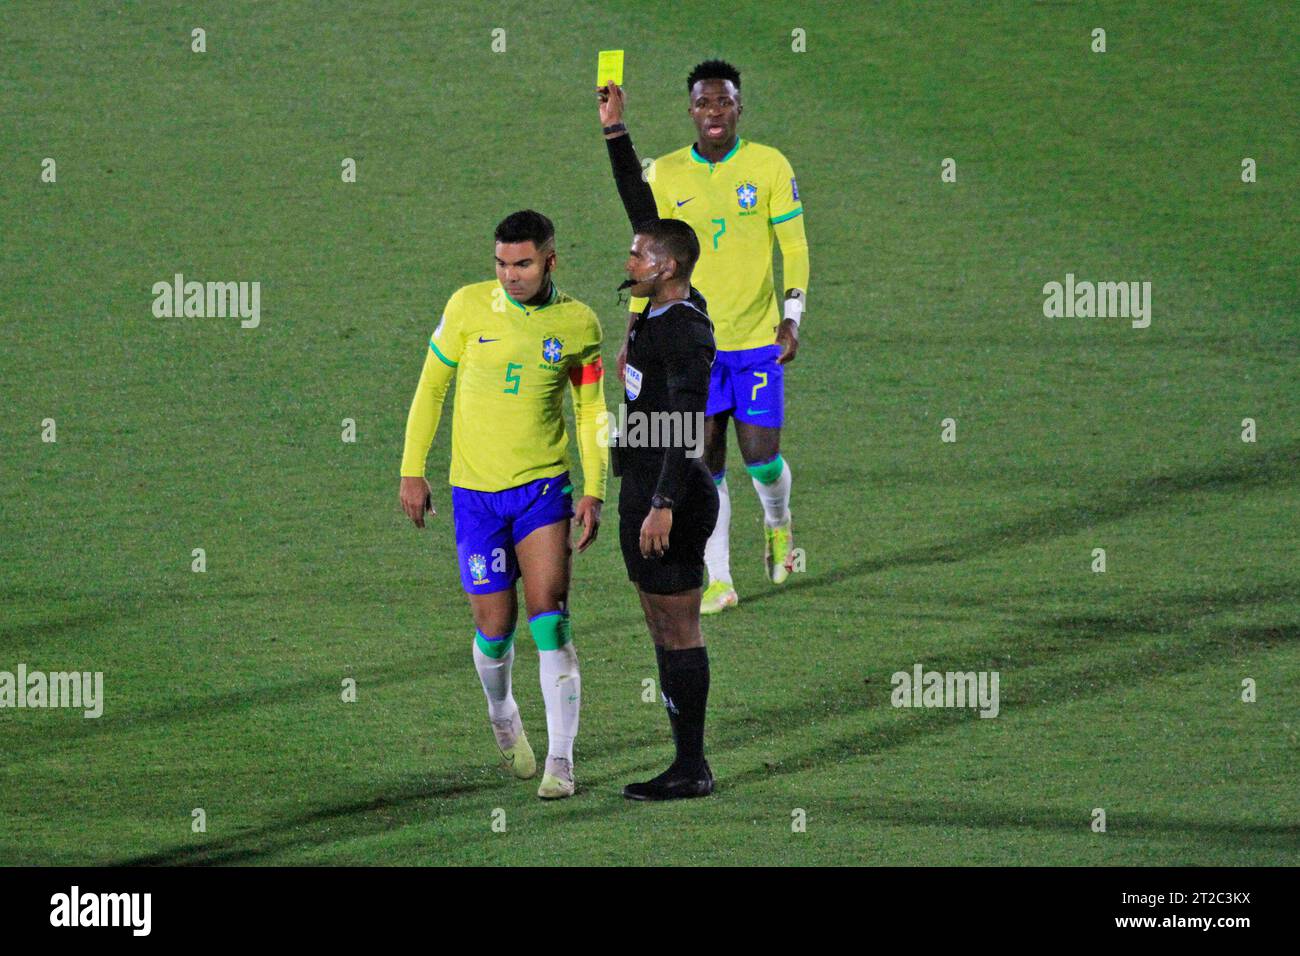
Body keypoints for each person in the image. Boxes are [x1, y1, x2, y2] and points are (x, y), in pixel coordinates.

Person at [399, 210, 607, 800]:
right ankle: (502, 711)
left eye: (522, 263)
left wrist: (596, 487)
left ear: (549, 261)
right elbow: (431, 387)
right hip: (475, 497)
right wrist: (412, 469)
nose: (510, 275)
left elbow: (592, 409)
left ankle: (561, 761)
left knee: (551, 618)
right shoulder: (466, 308)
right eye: (501, 263)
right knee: (495, 629)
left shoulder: (578, 324)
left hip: (543, 489)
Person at [603, 60, 810, 615]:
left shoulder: (768, 166)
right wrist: (632, 335)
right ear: (690, 110)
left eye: (724, 102)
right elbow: (652, 260)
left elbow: (794, 247)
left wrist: (793, 317)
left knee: (762, 457)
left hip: (757, 337)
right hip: (698, 344)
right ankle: (718, 578)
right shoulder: (668, 173)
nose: (714, 112)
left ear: (740, 107)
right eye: (704, 103)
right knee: (704, 459)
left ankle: (778, 521)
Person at [600, 89, 720, 800]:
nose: (632, 254)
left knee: (678, 626)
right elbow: (641, 210)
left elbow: (691, 416)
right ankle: (682, 757)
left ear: (667, 267)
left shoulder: (684, 329)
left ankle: (692, 766)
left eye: (641, 254)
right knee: (657, 619)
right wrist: (616, 132)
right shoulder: (663, 297)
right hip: (644, 481)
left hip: (670, 492)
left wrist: (664, 502)